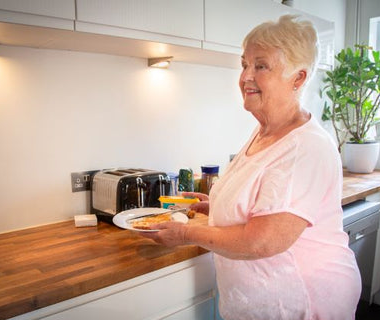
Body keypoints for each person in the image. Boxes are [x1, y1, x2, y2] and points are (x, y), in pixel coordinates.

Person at [141, 14, 361, 320]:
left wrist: (185, 233)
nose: (246, 76)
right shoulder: (265, 131)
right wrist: (213, 204)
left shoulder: (306, 147)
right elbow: (257, 203)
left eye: (261, 65)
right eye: (244, 64)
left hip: (303, 302)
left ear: (297, 78)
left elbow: (262, 240)